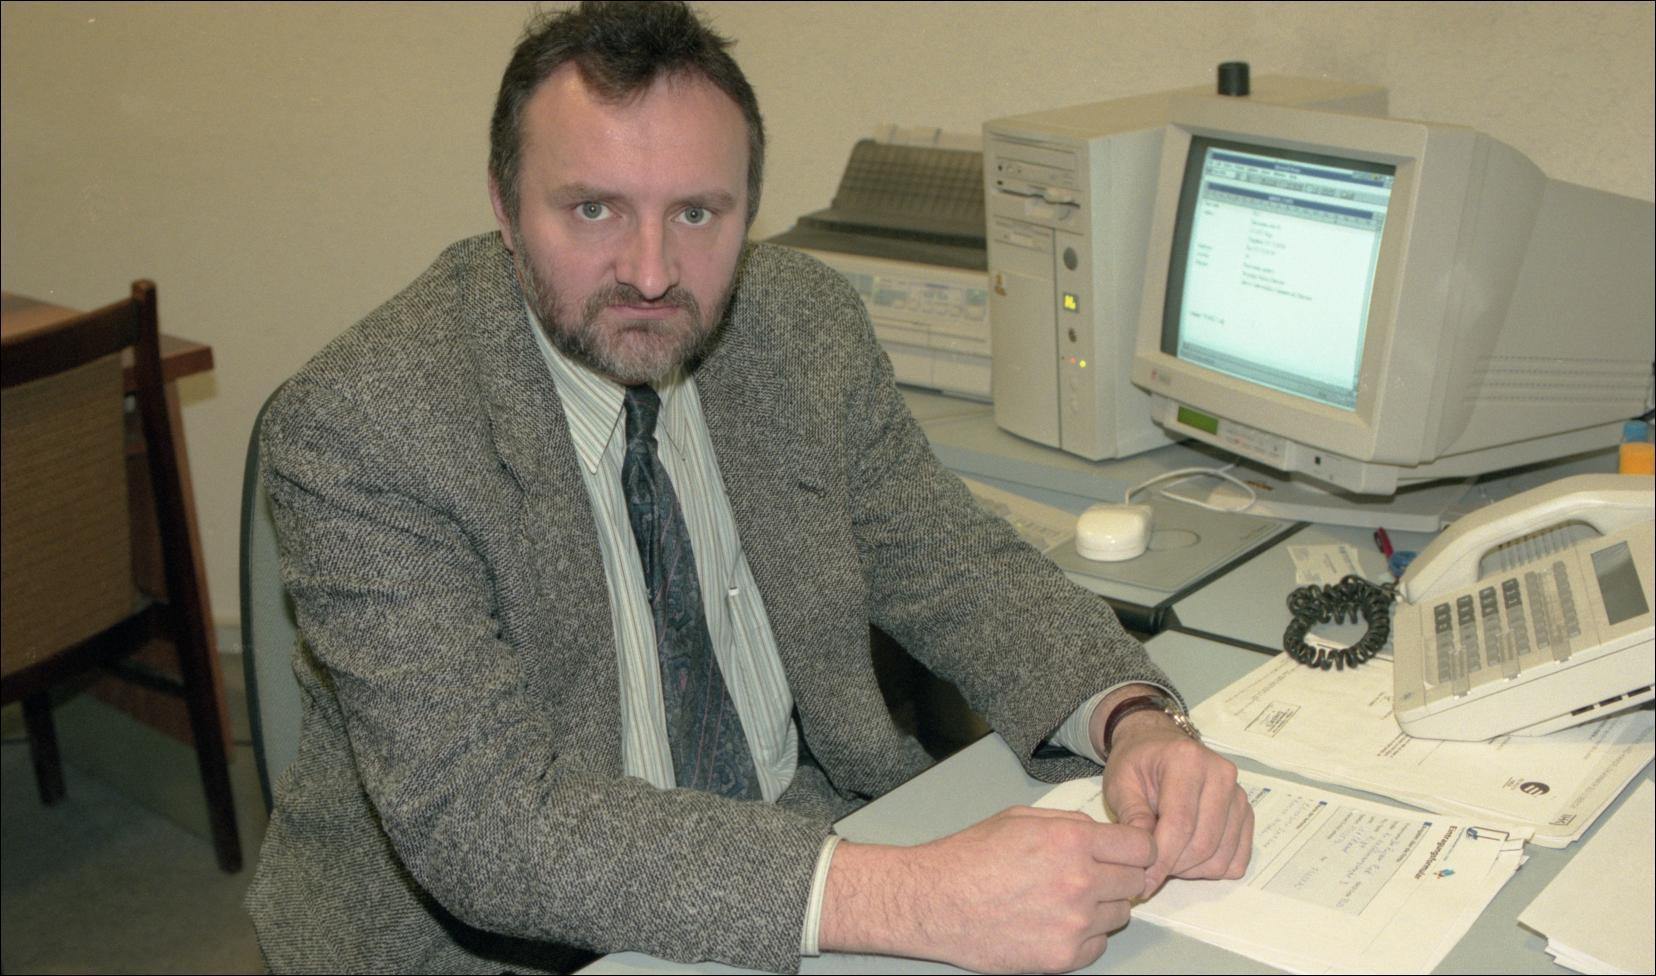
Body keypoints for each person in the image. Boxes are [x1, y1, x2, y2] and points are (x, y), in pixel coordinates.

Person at [246, 3, 1252, 973]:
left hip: (799, 842)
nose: (651, 272)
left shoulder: (802, 326)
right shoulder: (367, 425)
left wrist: (1133, 719)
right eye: (594, 208)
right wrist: (918, 898)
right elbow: (489, 823)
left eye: (697, 213)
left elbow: (958, 569)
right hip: (510, 947)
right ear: (506, 209)